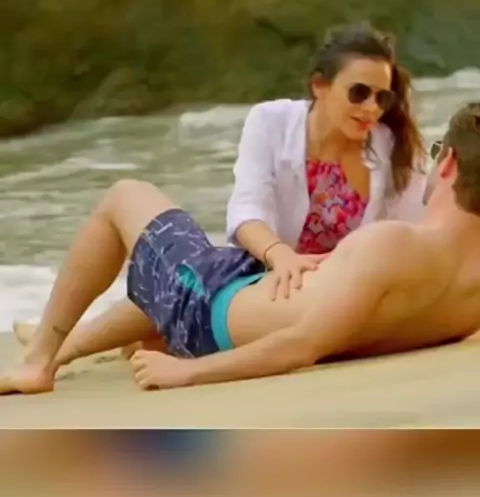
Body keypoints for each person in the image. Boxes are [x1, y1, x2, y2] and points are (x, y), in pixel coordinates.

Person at [2, 101, 480, 397]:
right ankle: (67, 343)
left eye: (438, 150)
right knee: (200, 267)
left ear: (450, 164)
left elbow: (301, 345)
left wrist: (184, 375)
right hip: (239, 286)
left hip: (206, 312)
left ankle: (38, 361)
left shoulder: (395, 244)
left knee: (124, 197)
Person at [226, 22, 427, 299]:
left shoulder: (396, 149)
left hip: (355, 293)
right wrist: (279, 254)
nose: (372, 107)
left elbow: (414, 233)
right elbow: (247, 208)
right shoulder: (270, 122)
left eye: (382, 97)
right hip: (272, 283)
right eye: (359, 93)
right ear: (320, 85)